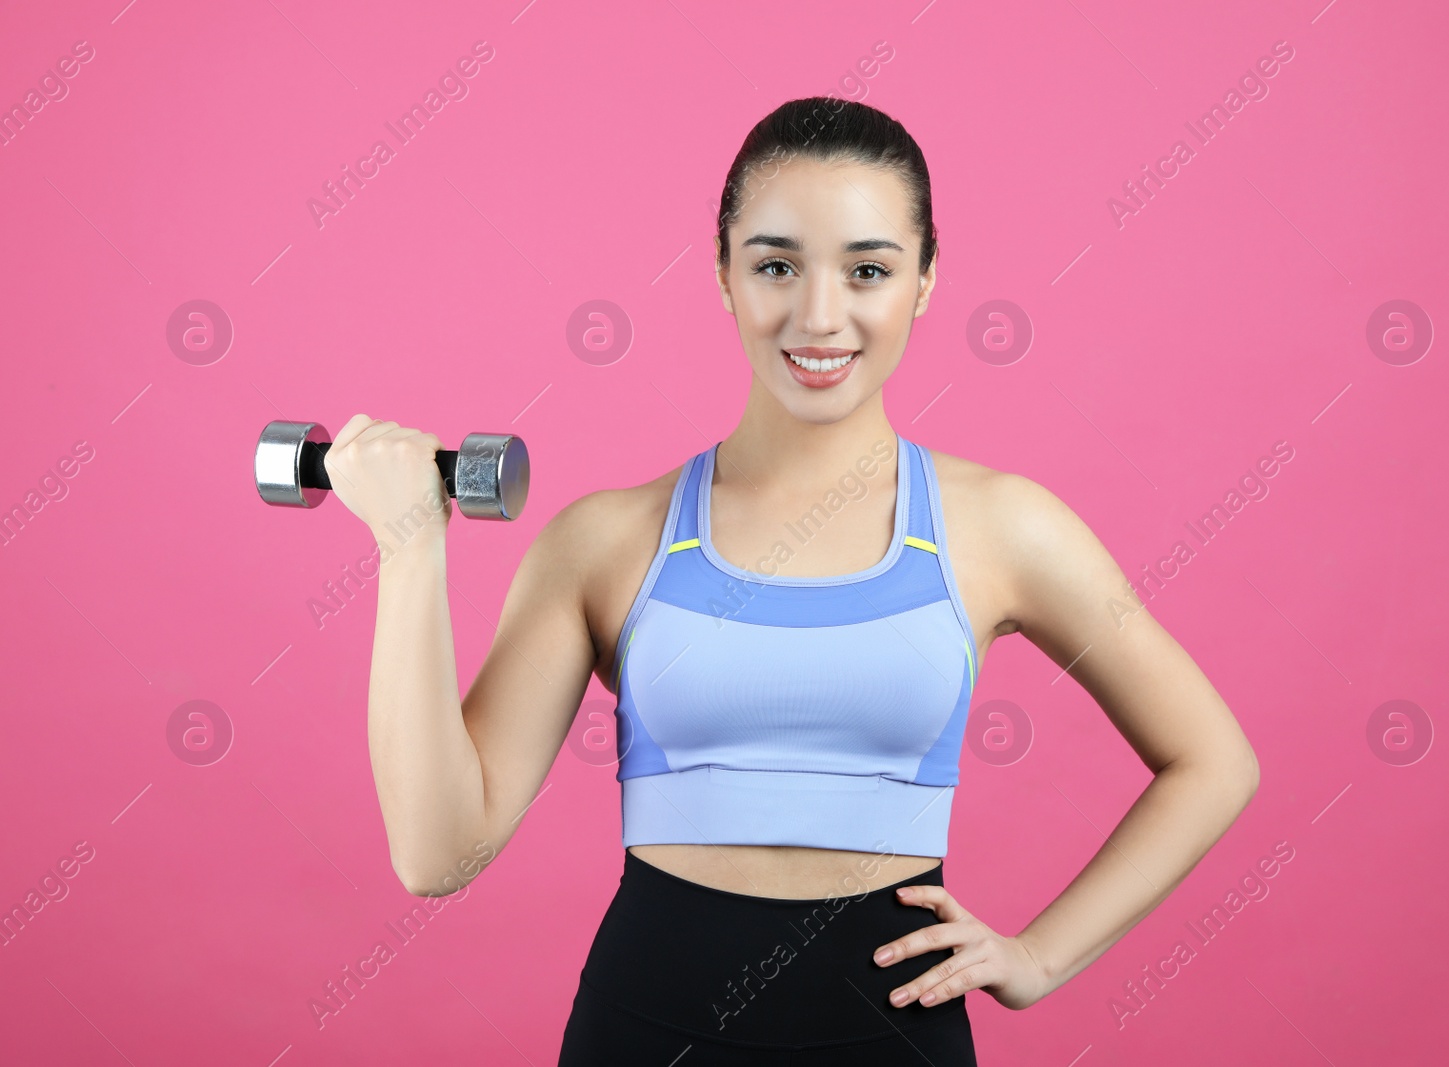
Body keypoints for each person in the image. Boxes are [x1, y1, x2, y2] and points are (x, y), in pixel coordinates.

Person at [325, 97, 1259, 1064]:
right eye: (776, 265)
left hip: (892, 1036)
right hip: (646, 1033)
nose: (820, 315)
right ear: (723, 275)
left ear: (927, 280)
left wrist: (1038, 958)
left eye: (868, 270)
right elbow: (439, 853)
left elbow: (1213, 761)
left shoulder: (1002, 529)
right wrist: (410, 542)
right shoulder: (605, 542)